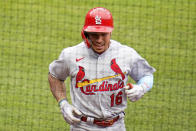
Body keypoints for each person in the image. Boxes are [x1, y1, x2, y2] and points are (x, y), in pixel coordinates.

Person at [48, 7, 156, 131]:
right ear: (86, 33)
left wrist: (141, 88)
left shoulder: (126, 53)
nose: (99, 40)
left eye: (103, 34)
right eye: (94, 35)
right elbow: (54, 76)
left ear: (111, 32)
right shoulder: (71, 55)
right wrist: (63, 104)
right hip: (82, 126)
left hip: (117, 126)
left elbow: (146, 75)